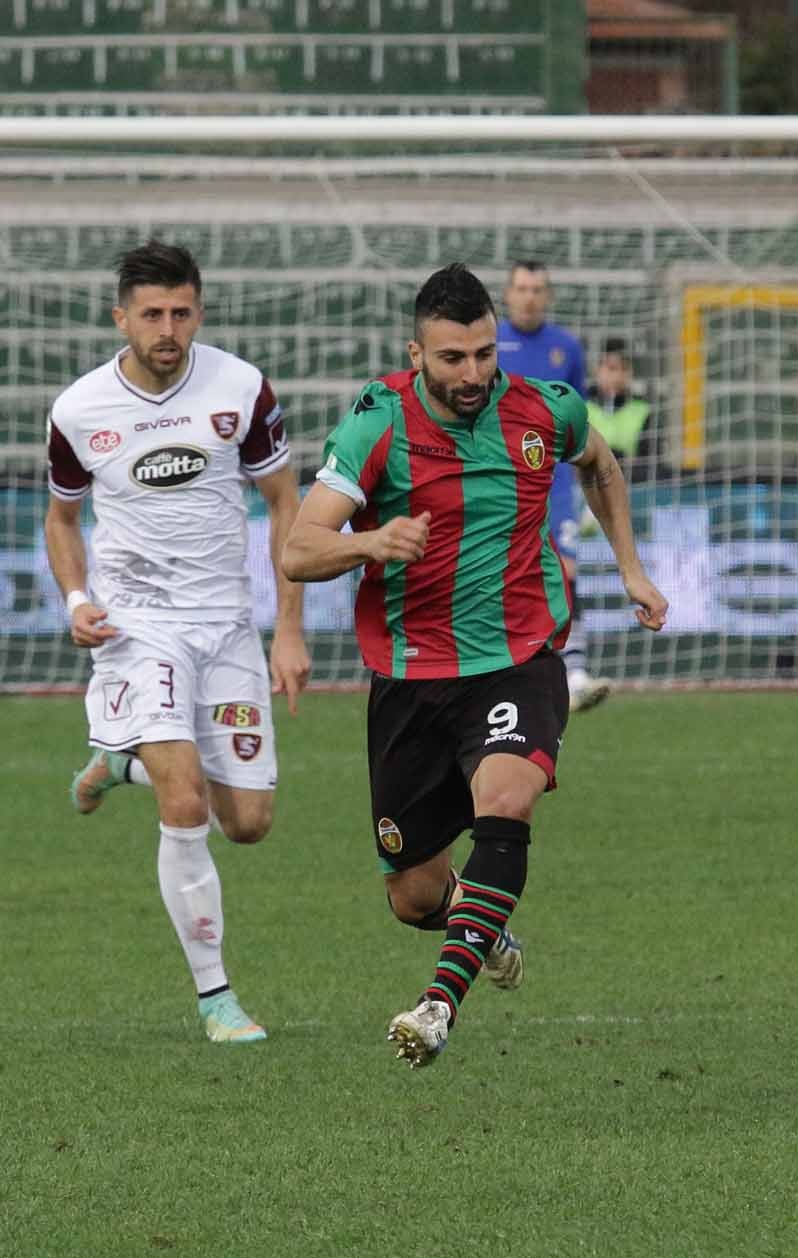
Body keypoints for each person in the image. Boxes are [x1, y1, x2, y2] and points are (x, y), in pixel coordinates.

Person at [281, 263, 668, 1068]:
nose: (474, 375)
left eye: (485, 354)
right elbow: (299, 547)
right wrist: (370, 542)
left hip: (517, 658)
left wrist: (630, 568)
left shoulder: (543, 410)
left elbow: (598, 465)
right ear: (415, 354)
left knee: (507, 796)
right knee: (413, 894)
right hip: (412, 679)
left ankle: (437, 1005)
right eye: (453, 358)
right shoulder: (376, 425)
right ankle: (481, 924)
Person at [47, 239, 311, 1044]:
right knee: (186, 801)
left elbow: (284, 503)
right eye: (153, 314)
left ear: (199, 310)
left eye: (182, 312)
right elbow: (62, 517)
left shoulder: (240, 388)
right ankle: (217, 1000)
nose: (169, 328)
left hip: (226, 623)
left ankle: (117, 761)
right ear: (120, 316)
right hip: (136, 625)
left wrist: (288, 631)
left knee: (250, 822)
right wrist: (77, 598)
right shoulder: (79, 409)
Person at [497, 261, 610, 712]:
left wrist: (583, 487)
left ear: (548, 296)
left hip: (554, 481)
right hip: (502, 480)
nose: (529, 296)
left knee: (564, 572)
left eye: (537, 289)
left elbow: (576, 420)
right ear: (507, 295)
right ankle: (504, 671)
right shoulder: (489, 345)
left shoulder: (567, 348)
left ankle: (575, 673)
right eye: (522, 288)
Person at [587, 337, 655, 481]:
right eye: (611, 368)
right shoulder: (582, 409)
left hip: (631, 488)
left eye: (624, 369)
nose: (617, 376)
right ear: (597, 370)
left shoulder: (642, 411)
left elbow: (651, 464)